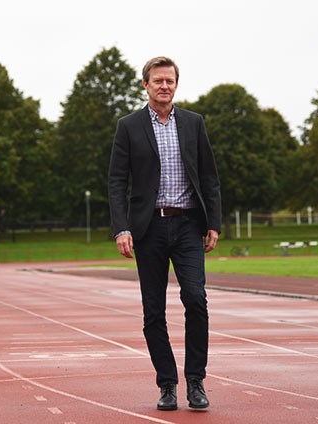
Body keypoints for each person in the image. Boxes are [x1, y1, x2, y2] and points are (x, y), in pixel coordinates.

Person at [108, 56, 221, 411]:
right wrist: (121, 227)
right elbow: (116, 182)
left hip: (188, 225)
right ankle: (167, 384)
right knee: (154, 311)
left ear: (176, 84)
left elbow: (209, 176)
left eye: (169, 80)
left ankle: (196, 382)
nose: (164, 86)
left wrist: (213, 222)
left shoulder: (193, 123)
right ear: (145, 85)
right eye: (157, 80)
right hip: (148, 229)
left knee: (196, 299)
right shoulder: (128, 126)